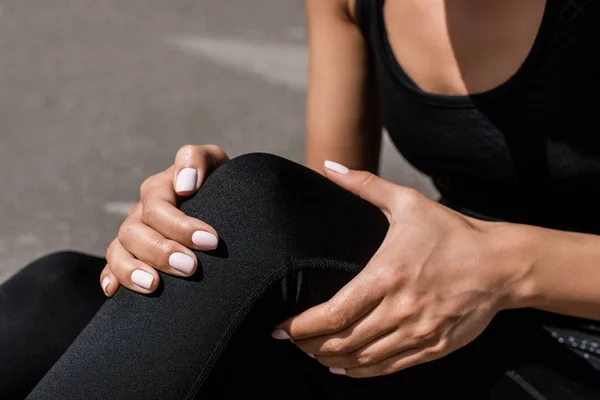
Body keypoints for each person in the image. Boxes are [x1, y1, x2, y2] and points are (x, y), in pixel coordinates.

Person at [2, 0, 600, 398]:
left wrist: (506, 267)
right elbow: (321, 209)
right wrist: (202, 219)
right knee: (57, 295)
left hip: (577, 347)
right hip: (443, 317)